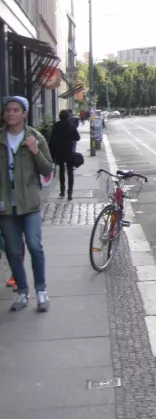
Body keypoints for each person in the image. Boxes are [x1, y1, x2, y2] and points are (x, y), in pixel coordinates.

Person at [0, 95, 54, 312]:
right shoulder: (1, 139)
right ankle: (23, 292)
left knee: (34, 245)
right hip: (5, 206)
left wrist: (35, 152)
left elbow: (47, 169)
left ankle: (41, 290)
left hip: (29, 204)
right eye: (7, 110)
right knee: (13, 251)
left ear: (24, 114)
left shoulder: (35, 138)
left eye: (15, 110)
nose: (10, 113)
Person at [49, 109, 81, 200]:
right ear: (68, 117)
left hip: (59, 152)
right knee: (70, 173)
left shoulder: (56, 126)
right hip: (69, 152)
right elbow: (77, 138)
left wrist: (52, 153)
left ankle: (62, 191)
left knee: (61, 171)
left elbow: (52, 139)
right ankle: (70, 193)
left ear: (60, 117)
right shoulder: (71, 126)